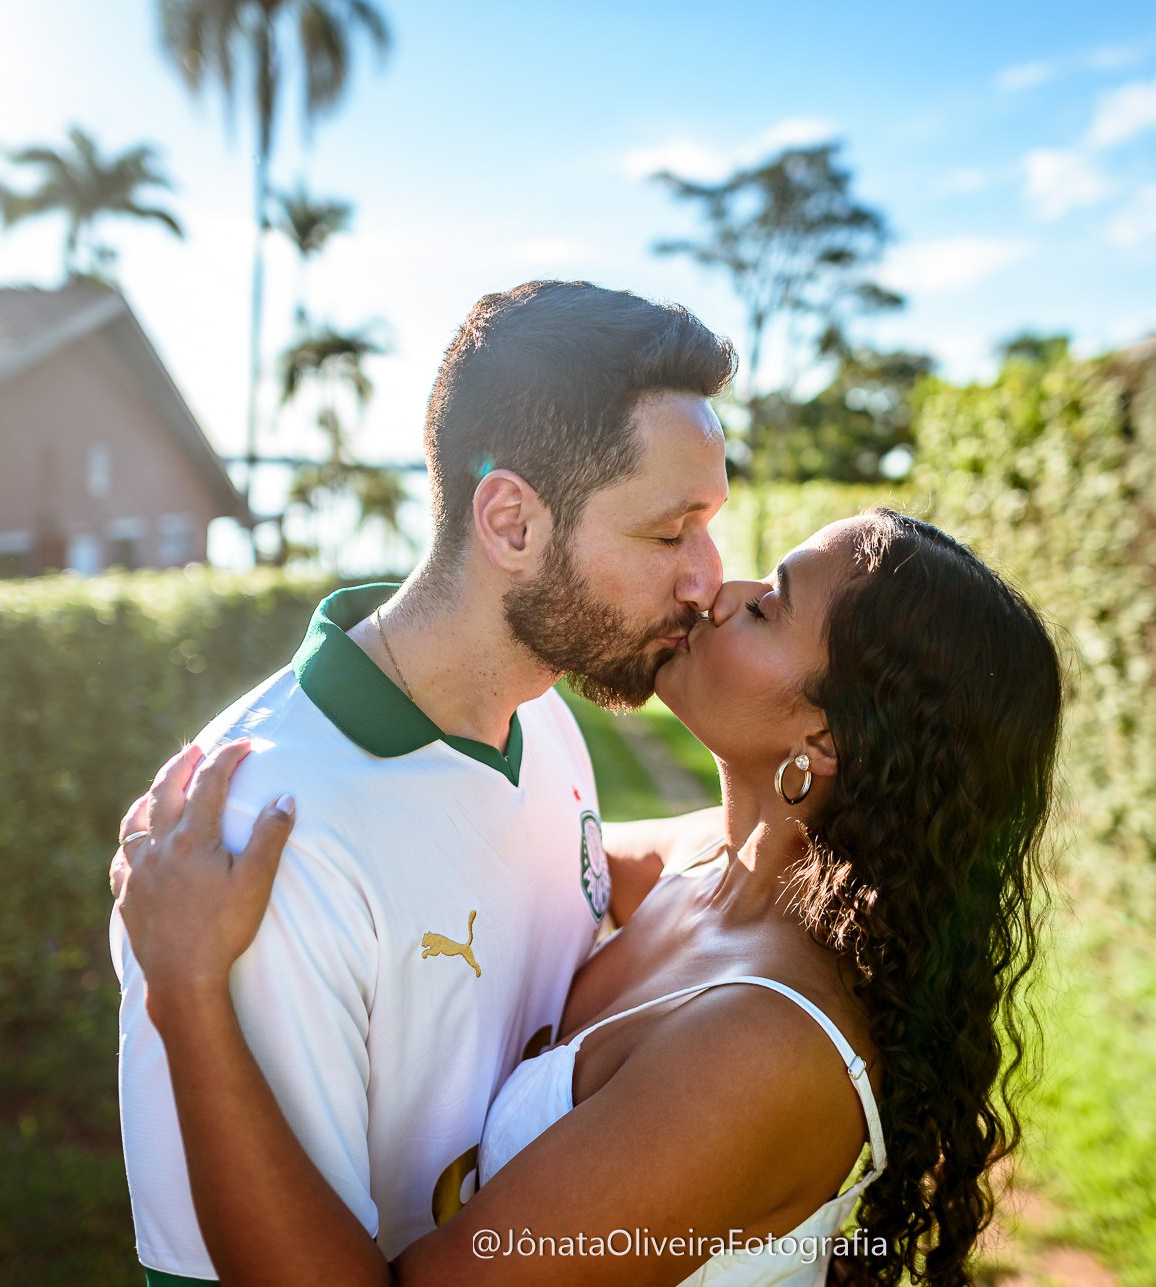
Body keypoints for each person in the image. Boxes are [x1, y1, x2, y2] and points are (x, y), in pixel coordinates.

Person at [116, 509, 1064, 1287]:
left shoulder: (759, 1050)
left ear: (822, 743)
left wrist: (190, 989)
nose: (717, 591)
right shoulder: (707, 864)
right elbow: (496, 841)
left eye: (768, 609)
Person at [110, 279, 737, 1284]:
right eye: (669, 533)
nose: (707, 575)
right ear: (511, 521)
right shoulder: (267, 837)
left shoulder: (541, 716)